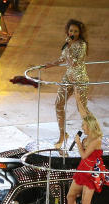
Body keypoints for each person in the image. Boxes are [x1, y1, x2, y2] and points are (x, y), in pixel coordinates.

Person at [40, 19, 93, 150]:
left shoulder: (82, 45)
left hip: (79, 78)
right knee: (58, 103)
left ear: (80, 32)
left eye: (75, 31)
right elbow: (63, 58)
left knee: (82, 108)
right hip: (68, 77)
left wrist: (68, 48)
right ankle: (63, 134)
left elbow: (74, 62)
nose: (72, 33)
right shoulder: (67, 44)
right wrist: (51, 64)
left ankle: (91, 135)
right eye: (70, 31)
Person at [64, 113, 109, 204]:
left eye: (83, 125)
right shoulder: (85, 139)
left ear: (89, 125)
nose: (82, 128)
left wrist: (78, 142)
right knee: (70, 196)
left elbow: (84, 155)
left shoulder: (96, 140)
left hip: (91, 174)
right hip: (82, 170)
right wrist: (80, 142)